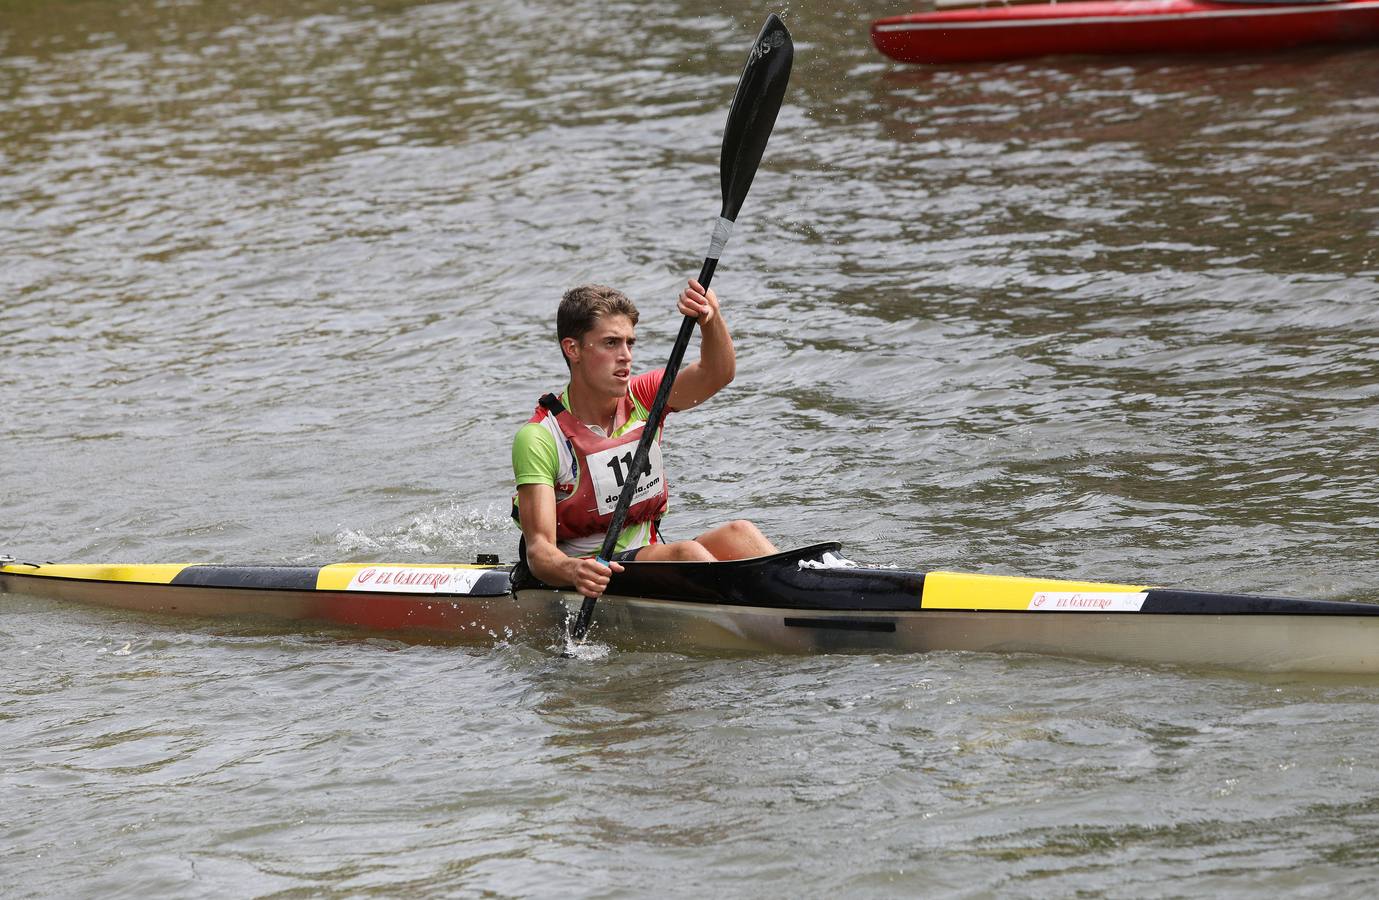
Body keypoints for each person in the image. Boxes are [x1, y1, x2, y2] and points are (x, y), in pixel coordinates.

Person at [512, 279, 776, 598]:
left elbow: (717, 374)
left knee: (741, 534)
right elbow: (540, 553)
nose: (625, 356)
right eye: (611, 343)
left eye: (629, 343)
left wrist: (711, 319)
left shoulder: (646, 397)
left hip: (648, 559)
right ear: (573, 349)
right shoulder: (541, 437)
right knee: (688, 554)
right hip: (591, 573)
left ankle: (803, 598)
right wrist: (574, 570)